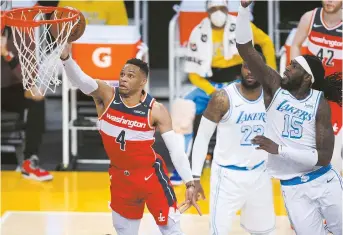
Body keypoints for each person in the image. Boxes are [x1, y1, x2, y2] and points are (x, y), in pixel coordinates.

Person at [59, 43, 201, 235]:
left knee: (171, 229)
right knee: (124, 231)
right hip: (120, 178)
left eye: (130, 76)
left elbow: (175, 150)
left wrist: (189, 183)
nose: (124, 79)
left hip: (151, 177)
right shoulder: (107, 95)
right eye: (122, 74)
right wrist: (66, 58)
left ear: (143, 81)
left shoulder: (156, 110)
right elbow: (82, 81)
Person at [236, 1, 342, 234]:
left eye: (293, 66)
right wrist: (243, 12)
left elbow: (323, 159)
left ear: (307, 78)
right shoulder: (275, 88)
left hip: (324, 182)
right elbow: (246, 48)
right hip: (292, 187)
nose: (286, 67)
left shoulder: (320, 104)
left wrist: (279, 149)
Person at [170, 0, 276, 185]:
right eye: (213, 8)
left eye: (222, 8)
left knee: (260, 106)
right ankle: (184, 167)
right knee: (182, 108)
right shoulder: (198, 32)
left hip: (238, 80)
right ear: (207, 10)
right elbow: (194, 74)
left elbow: (266, 41)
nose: (218, 12)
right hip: (210, 83)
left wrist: (271, 73)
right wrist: (212, 91)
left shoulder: (241, 26)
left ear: (228, 9)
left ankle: (265, 161)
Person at [191, 55, 276, 234]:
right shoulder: (223, 98)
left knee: (265, 232)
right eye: (247, 66)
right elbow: (202, 138)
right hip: (227, 176)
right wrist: (196, 177)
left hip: (259, 173)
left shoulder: (271, 97)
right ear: (241, 69)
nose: (251, 71)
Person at [290, 0, 342, 174]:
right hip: (313, 92)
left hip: (336, 94)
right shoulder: (310, 18)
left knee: (332, 154)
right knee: (308, 148)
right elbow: (296, 44)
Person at [1, 27, 52, 181]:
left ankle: (29, 161)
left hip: (10, 90)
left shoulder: (21, 38)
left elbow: (29, 78)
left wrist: (7, 55)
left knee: (37, 97)